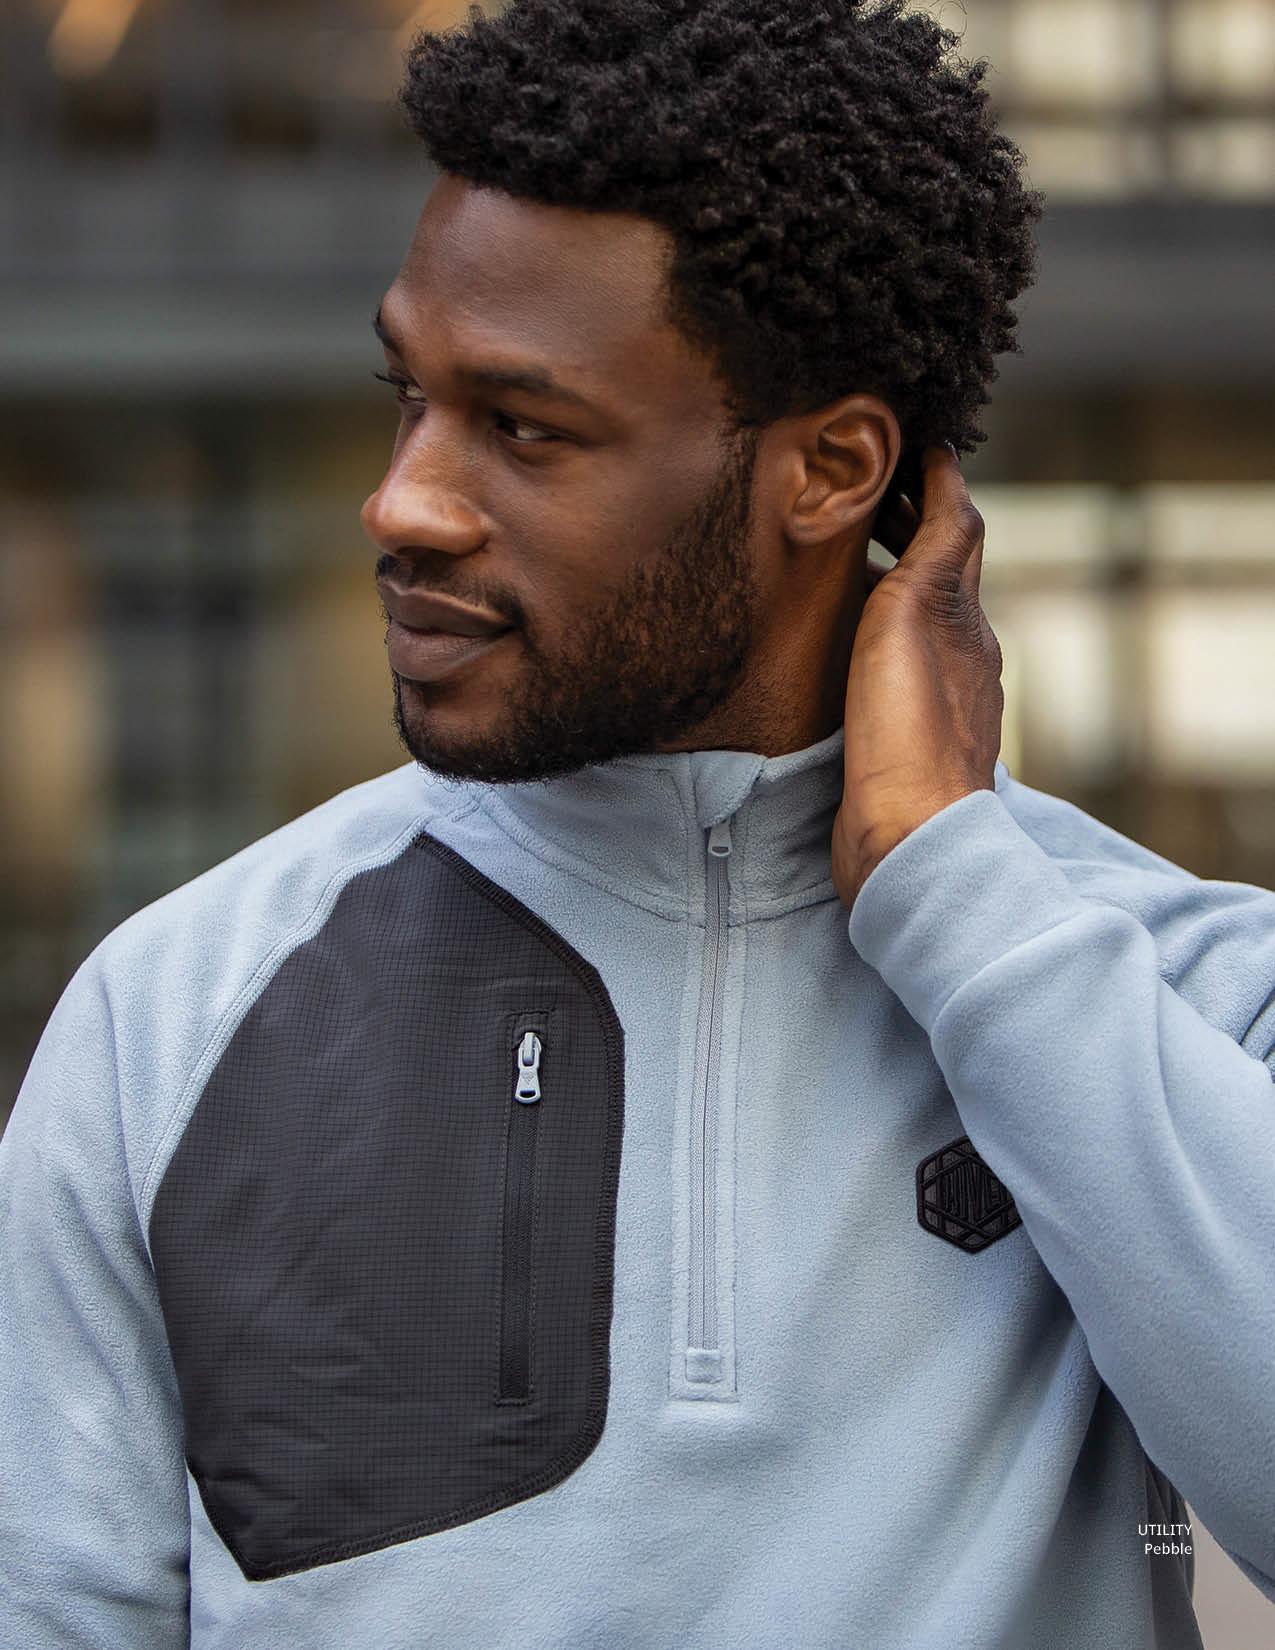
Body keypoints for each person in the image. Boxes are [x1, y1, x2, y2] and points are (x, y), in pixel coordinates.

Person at [3, 0, 1273, 1644]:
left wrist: (954, 889)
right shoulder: (173, 1016)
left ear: (832, 469)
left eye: (525, 427)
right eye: (408, 395)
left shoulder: (1191, 994)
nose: (402, 500)